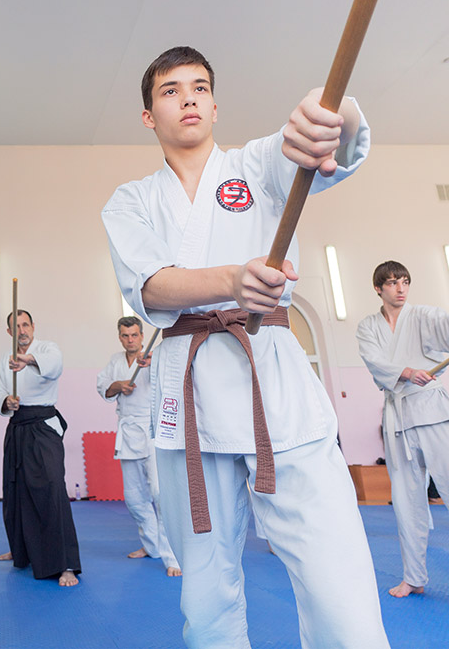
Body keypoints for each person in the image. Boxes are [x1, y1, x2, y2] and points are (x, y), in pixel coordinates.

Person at [102, 46, 388, 647]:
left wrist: (327, 116)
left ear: (214, 105)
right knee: (206, 598)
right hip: (187, 398)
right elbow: (151, 286)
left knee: (338, 580)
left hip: (275, 381)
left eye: (200, 87)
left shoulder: (257, 164)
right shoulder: (130, 201)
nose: (188, 98)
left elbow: (315, 147)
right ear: (149, 116)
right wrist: (232, 279)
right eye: (170, 90)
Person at [356, 260, 449, 598]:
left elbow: (445, 326)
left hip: (433, 411)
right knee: (406, 502)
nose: (400, 288)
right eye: (393, 282)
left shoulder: (424, 316)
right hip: (398, 419)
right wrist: (408, 372)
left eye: (405, 281)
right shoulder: (367, 327)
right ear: (378, 288)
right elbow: (374, 361)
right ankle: (414, 577)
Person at [0, 309, 81, 587]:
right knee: (15, 491)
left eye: (25, 324)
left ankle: (65, 564)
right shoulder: (4, 359)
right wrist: (6, 401)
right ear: (9, 332)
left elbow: (54, 366)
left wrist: (28, 360)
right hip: (17, 426)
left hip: (43, 427)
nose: (22, 330)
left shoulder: (47, 349)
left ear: (33, 326)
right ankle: (21, 551)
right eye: (16, 327)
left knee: (52, 488)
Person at [96, 316, 180, 577]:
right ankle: (151, 546)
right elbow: (103, 387)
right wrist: (118, 385)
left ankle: (173, 555)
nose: (130, 340)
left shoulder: (156, 358)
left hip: (152, 431)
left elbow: (173, 380)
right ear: (120, 337)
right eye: (125, 335)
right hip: (128, 432)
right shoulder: (115, 361)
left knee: (159, 493)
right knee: (134, 497)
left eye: (134, 335)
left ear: (142, 336)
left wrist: (154, 363)